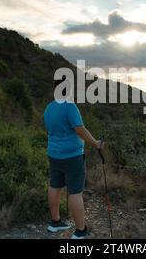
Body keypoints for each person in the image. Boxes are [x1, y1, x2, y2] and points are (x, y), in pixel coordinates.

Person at [43, 78, 103, 239]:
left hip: (54, 154)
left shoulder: (48, 108)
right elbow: (80, 129)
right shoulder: (70, 107)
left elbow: (51, 130)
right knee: (75, 192)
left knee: (54, 186)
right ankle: (80, 231)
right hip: (72, 156)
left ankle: (55, 222)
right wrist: (96, 143)